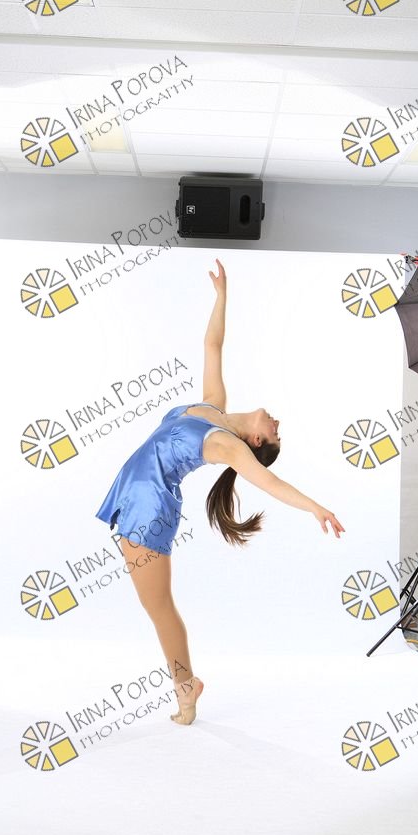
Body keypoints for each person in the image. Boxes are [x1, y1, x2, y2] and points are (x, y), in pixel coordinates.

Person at [96, 259, 344, 725]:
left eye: (275, 432)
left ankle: (185, 689)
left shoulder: (227, 445)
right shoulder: (213, 407)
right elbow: (213, 345)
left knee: (158, 607)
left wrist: (315, 507)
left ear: (257, 441)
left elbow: (269, 482)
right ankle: (185, 685)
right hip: (137, 493)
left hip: (148, 505)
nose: (277, 422)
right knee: (156, 605)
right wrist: (222, 297)